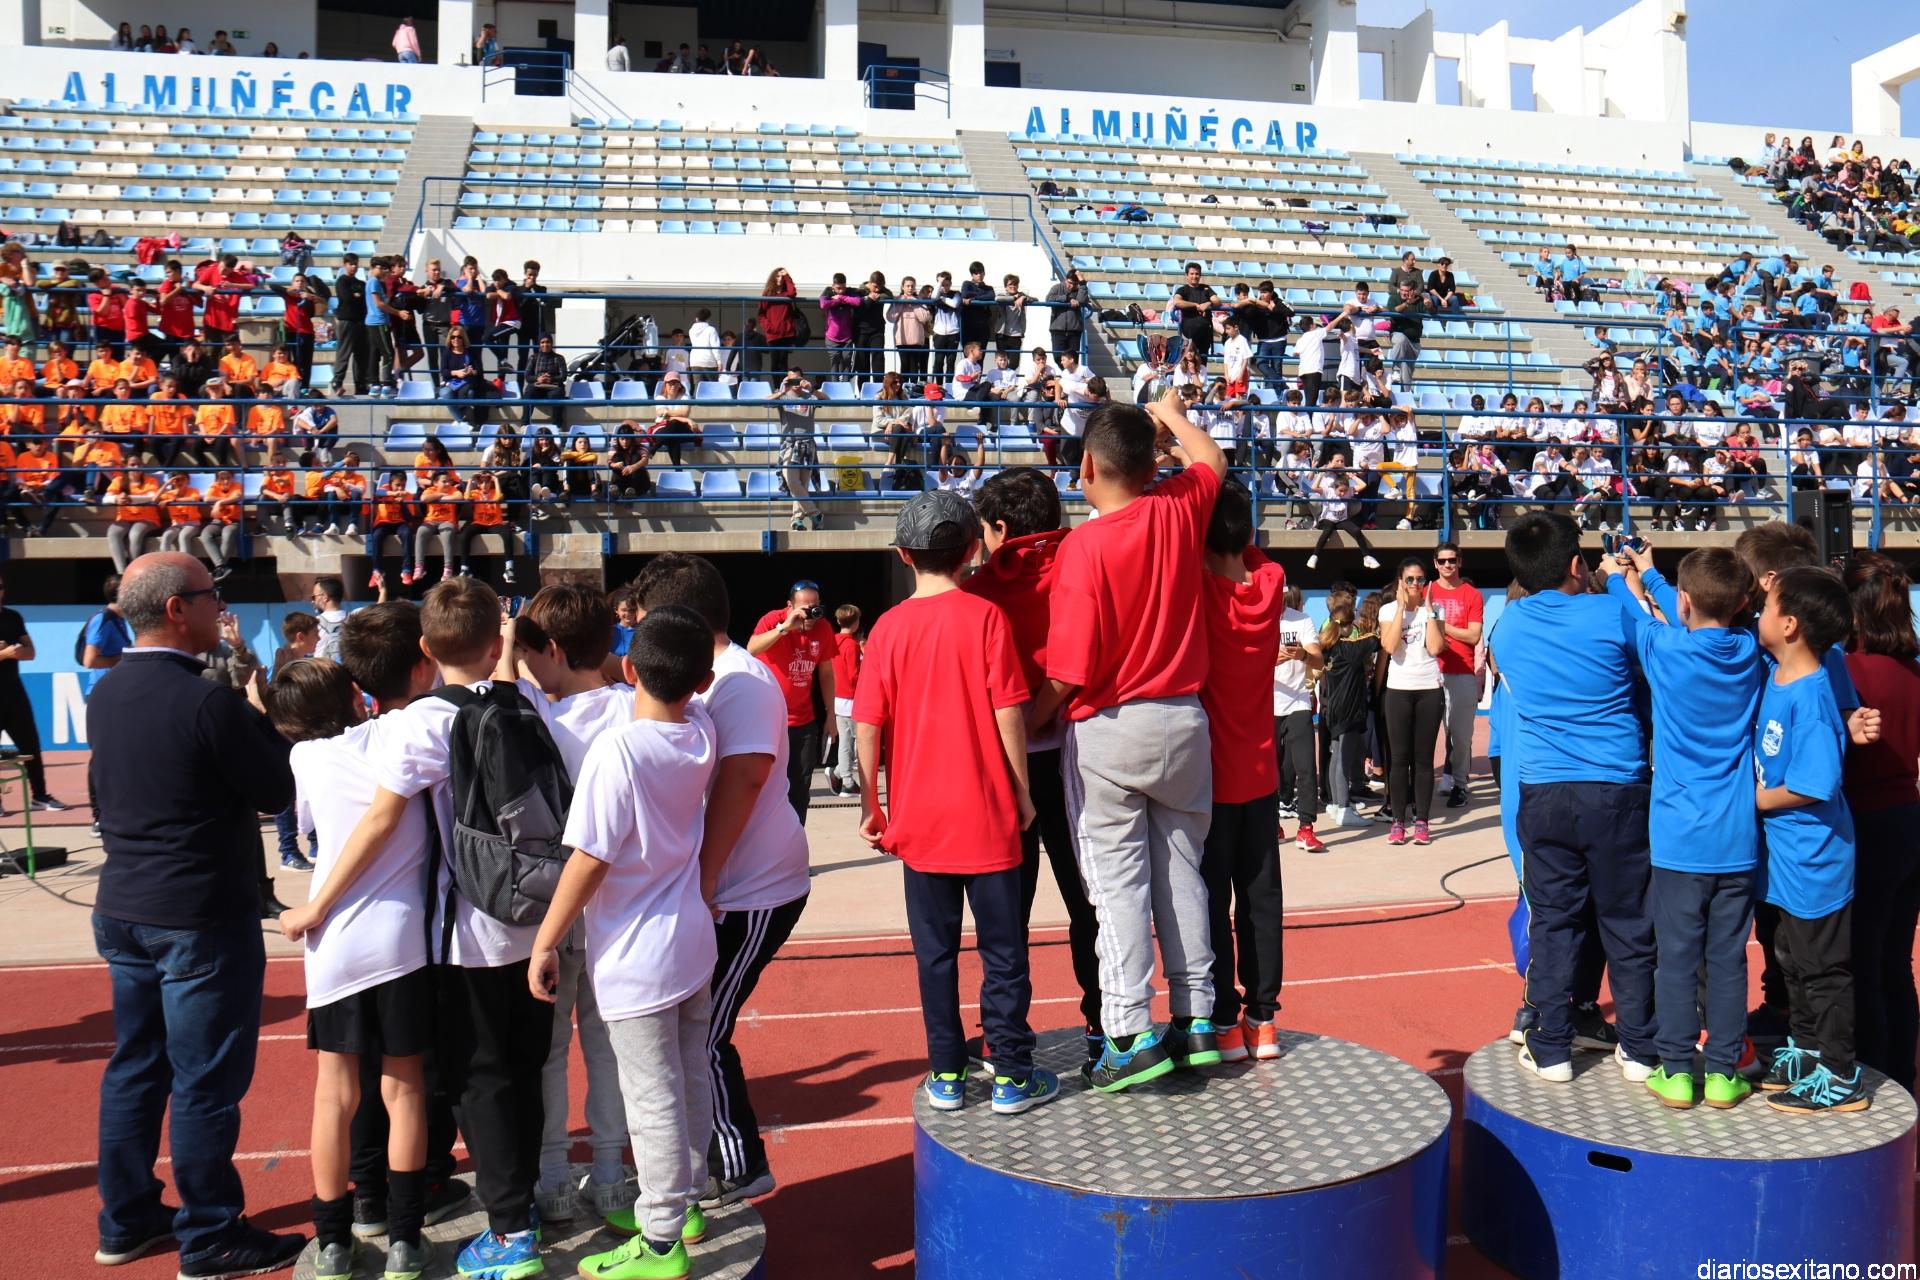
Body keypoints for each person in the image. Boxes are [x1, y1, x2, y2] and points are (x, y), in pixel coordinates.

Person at [290, 579, 557, 1280]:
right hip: (530, 916)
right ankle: (525, 1202)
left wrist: (317, 906)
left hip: (462, 930)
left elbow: (381, 818)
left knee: (477, 1081)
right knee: (524, 1070)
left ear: (426, 651)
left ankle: (509, 1232)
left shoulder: (415, 725)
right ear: (496, 645)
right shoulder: (519, 700)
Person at [89, 552, 306, 1278]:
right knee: (205, 1081)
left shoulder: (107, 692)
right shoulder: (206, 702)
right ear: (177, 609)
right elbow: (276, 791)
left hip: (125, 904)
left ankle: (127, 1219)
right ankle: (210, 1234)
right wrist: (261, 717)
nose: (222, 607)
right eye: (212, 595)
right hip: (198, 913)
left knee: (135, 1068)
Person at [1026, 389, 1226, 1092]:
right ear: (1151, 465)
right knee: (1182, 873)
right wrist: (1169, 412)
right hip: (1184, 716)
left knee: (1116, 886)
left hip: (1111, 727)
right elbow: (1210, 458)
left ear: (1086, 466)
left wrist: (1027, 720)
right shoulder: (1176, 510)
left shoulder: (1083, 547)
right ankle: (1197, 1018)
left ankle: (1128, 1030)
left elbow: (1068, 671)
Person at [529, 605, 719, 1278]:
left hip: (639, 957)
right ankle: (685, 1203)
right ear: (701, 680)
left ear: (630, 668)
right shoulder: (702, 730)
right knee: (689, 1080)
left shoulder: (620, 750)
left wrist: (545, 941)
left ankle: (661, 1240)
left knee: (652, 1099)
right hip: (690, 941)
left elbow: (588, 859)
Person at [854, 491, 1056, 1117]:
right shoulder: (986, 617)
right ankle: (1012, 1074)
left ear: (902, 554)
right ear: (972, 550)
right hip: (986, 814)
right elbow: (1008, 713)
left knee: (935, 955)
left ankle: (945, 1071)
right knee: (1004, 952)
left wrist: (871, 803)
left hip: (920, 820)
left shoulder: (887, 628)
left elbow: (867, 723)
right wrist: (1022, 792)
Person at [628, 552, 812, 1206]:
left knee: (704, 1032)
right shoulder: (711, 680)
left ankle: (738, 1164)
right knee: (693, 1029)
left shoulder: (740, 682)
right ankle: (702, 1161)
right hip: (724, 884)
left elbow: (745, 779)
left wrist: (703, 882)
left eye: (645, 621)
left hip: (752, 888)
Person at [265, 657, 434, 1280]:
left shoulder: (303, 759)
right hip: (401, 941)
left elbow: (310, 826)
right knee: (404, 1089)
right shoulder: (399, 733)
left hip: (334, 945)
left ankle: (334, 1242)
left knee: (334, 1095)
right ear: (355, 693)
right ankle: (406, 1240)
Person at [1491, 512, 1656, 1085]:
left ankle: (1551, 1044)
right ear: (1575, 564)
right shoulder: (1611, 612)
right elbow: (1654, 649)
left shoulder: (1508, 626)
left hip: (1544, 791)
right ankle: (1640, 1046)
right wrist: (1623, 580)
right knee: (1628, 920)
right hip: (1616, 788)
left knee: (1555, 922)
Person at [1597, 544, 1763, 1110]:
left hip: (1676, 840)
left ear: (1685, 601)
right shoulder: (1750, 648)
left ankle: (1674, 1070)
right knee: (1728, 959)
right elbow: (1694, 606)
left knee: (1675, 958)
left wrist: (1624, 576)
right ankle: (1722, 1072)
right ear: (1741, 604)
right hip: (1736, 838)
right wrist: (1652, 575)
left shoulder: (1665, 648)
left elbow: (1632, 610)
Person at [494, 589, 639, 1226]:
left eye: (532, 652)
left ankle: (552, 1177)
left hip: (551, 905)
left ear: (549, 650)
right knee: (607, 1046)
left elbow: (502, 695)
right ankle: (608, 1174)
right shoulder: (632, 706)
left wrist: (507, 648)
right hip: (619, 904)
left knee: (549, 1051)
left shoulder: (535, 712)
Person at [959, 469, 1104, 1067]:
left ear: (997, 527)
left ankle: (1005, 1036)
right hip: (1081, 756)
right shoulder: (1085, 569)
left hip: (1006, 764)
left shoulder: (976, 593)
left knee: (1007, 910)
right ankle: (1106, 1025)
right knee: (1090, 899)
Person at [1753, 567, 1868, 1115]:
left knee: (1823, 972)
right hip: (1785, 860)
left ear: (1790, 625)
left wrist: (1753, 801)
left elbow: (1813, 784)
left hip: (1814, 860)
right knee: (1791, 962)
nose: (1759, 612)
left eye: (1768, 605)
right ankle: (1806, 1051)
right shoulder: (1777, 676)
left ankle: (1841, 1073)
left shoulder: (1812, 696)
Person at [1197, 482, 1287, 1063]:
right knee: (1261, 900)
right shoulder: (1271, 583)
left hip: (1210, 778)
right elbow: (1256, 555)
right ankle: (1263, 1018)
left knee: (1209, 902)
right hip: (1260, 773)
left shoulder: (1200, 589)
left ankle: (1224, 1021)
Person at [1838, 552, 1920, 1096]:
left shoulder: (1847, 672)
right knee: (1895, 960)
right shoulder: (1913, 671)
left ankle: (1873, 1072)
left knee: (1862, 961)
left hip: (1865, 824)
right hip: (1908, 818)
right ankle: (1902, 1071)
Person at [746, 579, 837, 822]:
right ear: (790, 606)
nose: (810, 614)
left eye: (816, 607)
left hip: (804, 722)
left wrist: (831, 715)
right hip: (771, 720)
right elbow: (751, 648)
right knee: (767, 786)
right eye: (805, 608)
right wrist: (784, 628)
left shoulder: (823, 628)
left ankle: (795, 838)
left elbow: (826, 674)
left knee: (800, 789)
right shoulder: (773, 620)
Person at [1377, 558, 1447, 846]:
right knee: (1398, 759)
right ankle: (1398, 821)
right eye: (1410, 579)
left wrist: (1428, 611)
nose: (1416, 584)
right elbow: (1390, 646)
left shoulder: (1436, 609)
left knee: (1423, 759)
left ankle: (1422, 821)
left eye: (1420, 579)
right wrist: (1400, 610)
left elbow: (1436, 647)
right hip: (1398, 690)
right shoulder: (1387, 610)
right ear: (1400, 582)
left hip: (1429, 689)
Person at [0, 573, 66, 813]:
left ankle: (40, 796)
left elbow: (31, 652)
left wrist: (16, 652)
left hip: (13, 691)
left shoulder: (13, 617)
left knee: (30, 744)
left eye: (1, 586)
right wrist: (4, 654)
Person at [1427, 543, 1484, 809]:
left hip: (1461, 673)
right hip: (1428, 672)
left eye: (1452, 560)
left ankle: (1460, 785)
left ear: (1460, 561)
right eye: (1443, 561)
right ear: (1435, 563)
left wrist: (1441, 626)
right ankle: (1419, 789)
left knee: (1460, 737)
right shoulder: (1427, 591)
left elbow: (1473, 636)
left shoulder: (1472, 594)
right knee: (1423, 737)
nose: (1448, 565)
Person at [1271, 583, 1325, 851]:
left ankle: (1306, 828)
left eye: (1282, 597)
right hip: (1266, 705)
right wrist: (1271, 659)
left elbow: (1319, 660)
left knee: (1305, 767)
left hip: (1298, 702)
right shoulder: (1256, 620)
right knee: (1270, 771)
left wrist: (1302, 654)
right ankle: (1272, 825)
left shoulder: (1301, 620)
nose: (1279, 601)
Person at [827, 604, 861, 797]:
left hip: (837, 698)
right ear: (856, 623)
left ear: (839, 621)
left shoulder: (832, 641)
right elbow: (854, 675)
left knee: (846, 743)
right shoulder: (851, 645)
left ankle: (842, 775)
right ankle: (845, 779)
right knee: (858, 744)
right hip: (852, 699)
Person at [1170, 262, 1218, 364]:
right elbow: (1177, 302)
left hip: (1205, 329)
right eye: (1192, 274)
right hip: (1190, 328)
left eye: (1197, 274)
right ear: (1186, 275)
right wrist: (1196, 305)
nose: (1194, 276)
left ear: (1200, 275)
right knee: (1191, 356)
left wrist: (1208, 303)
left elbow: (1217, 301)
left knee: (1203, 359)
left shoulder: (1206, 288)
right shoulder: (1182, 290)